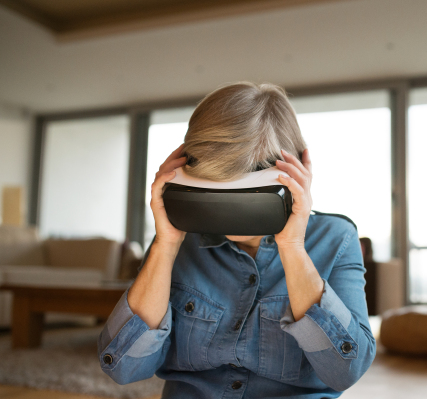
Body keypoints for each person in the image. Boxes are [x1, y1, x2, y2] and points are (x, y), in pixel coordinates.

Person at [97, 82, 376, 398]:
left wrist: (292, 248)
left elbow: (346, 370)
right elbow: (123, 368)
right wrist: (166, 244)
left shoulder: (335, 238)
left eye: (245, 195)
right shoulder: (178, 240)